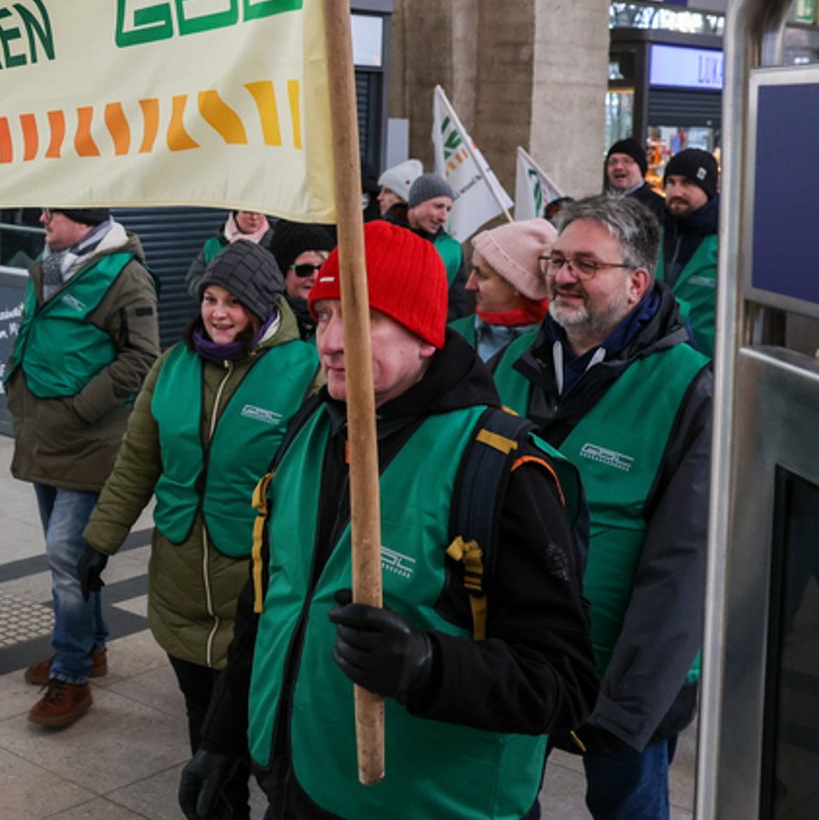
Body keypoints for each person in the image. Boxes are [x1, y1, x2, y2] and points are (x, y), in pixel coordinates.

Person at [180, 223, 596, 819]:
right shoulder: (310, 430)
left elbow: (565, 683)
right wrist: (224, 740)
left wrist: (430, 665)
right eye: (322, 317)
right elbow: (269, 604)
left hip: (430, 807)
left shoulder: (501, 468)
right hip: (298, 787)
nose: (329, 342)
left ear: (426, 335)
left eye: (360, 317)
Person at [491, 194, 714, 820]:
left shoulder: (689, 389)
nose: (562, 276)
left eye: (586, 264)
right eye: (557, 260)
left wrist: (630, 707)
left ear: (637, 282)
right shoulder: (512, 365)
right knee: (502, 801)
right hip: (517, 659)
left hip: (621, 672)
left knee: (628, 809)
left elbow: (684, 566)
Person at [84, 240, 317, 820]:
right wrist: (99, 541)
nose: (217, 313)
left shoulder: (305, 372)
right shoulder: (173, 366)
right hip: (180, 583)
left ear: (264, 308)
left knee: (265, 743)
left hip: (259, 593)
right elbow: (138, 461)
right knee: (206, 742)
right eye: (211, 298)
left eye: (234, 302)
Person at [6, 207, 160, 727]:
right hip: (45, 435)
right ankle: (89, 646)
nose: (43, 218)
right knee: (72, 558)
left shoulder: (126, 274)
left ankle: (71, 675)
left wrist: (81, 409)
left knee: (65, 559)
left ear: (84, 217)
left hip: (88, 440)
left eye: (53, 210)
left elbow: (142, 356)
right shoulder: (53, 260)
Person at [452, 218, 556, 362]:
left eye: (481, 275)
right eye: (471, 270)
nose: (469, 285)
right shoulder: (453, 336)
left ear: (517, 285)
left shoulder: (556, 350)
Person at [658, 148, 720, 356]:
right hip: (656, 360)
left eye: (688, 183)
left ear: (708, 189)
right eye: (671, 182)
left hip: (706, 363)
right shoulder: (653, 234)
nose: (676, 192)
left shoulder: (725, 242)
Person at [389, 173, 472, 321]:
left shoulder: (452, 251)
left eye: (448, 209)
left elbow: (457, 305)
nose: (443, 217)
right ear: (416, 203)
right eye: (438, 206)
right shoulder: (382, 236)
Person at [269, 221, 336, 340]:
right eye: (304, 270)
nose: (315, 277)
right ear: (282, 273)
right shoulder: (267, 325)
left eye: (323, 268)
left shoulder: (346, 319)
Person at [184, 210, 274, 295]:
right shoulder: (214, 245)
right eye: (247, 212)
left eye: (259, 213)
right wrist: (212, 293)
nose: (254, 217)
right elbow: (194, 278)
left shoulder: (276, 243)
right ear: (235, 214)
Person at [603, 138, 668, 228]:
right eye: (613, 162)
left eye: (627, 161)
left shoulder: (658, 206)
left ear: (640, 168)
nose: (618, 167)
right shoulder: (602, 204)